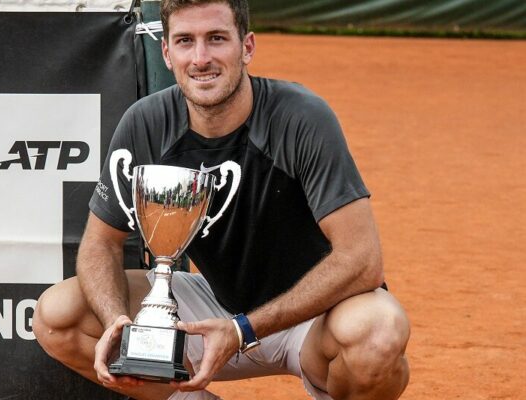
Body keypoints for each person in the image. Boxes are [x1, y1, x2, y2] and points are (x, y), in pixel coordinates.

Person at [33, 0, 410, 399]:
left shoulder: (301, 117)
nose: (200, 58)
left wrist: (243, 329)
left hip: (314, 318)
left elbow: (363, 259)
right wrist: (119, 325)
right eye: (184, 41)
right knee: (58, 315)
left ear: (246, 47)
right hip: (215, 306)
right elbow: (100, 244)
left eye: (216, 39)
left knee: (378, 332)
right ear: (166, 52)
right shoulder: (146, 123)